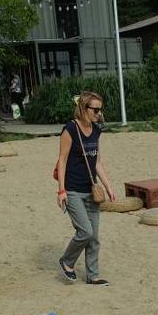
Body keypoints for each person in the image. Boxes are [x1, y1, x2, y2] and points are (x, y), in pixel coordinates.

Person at [56, 90, 117, 286]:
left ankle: (93, 275)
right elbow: (62, 161)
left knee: (94, 237)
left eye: (100, 110)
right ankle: (67, 261)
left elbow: (97, 161)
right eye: (95, 109)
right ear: (84, 108)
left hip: (92, 189)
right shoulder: (70, 130)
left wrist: (108, 186)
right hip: (73, 189)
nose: (99, 113)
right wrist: (61, 190)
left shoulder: (97, 130)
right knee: (85, 231)